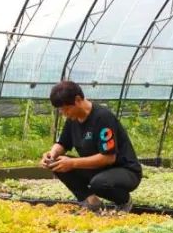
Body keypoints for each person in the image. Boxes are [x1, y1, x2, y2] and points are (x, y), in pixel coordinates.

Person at [40, 81, 141, 212]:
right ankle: (91, 202)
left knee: (99, 183)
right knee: (57, 164)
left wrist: (73, 163)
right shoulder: (73, 119)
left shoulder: (102, 117)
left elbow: (109, 158)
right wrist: (51, 155)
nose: (63, 113)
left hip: (124, 171)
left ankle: (124, 202)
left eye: (65, 108)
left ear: (77, 100)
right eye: (60, 109)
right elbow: (62, 143)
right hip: (98, 170)